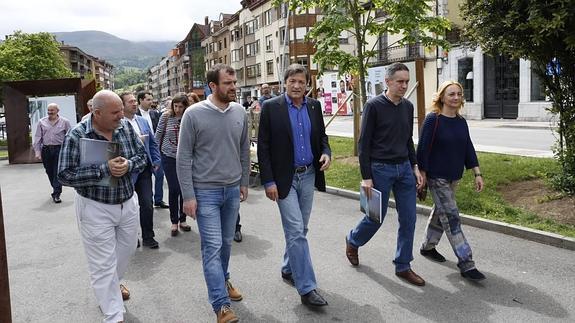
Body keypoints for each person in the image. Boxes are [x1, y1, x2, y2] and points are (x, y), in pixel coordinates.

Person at [58, 90, 147, 323]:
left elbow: (142, 157)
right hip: (95, 207)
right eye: (115, 112)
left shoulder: (126, 127)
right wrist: (103, 170)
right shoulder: (76, 135)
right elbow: (65, 175)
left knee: (125, 253)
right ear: (95, 113)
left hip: (127, 202)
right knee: (102, 263)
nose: (121, 115)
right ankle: (113, 315)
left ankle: (110, 287)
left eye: (121, 110)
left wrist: (128, 164)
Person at [177, 64, 250, 323]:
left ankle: (225, 278)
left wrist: (243, 182)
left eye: (234, 82)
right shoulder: (193, 114)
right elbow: (183, 156)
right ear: (213, 86)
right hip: (204, 192)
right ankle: (221, 305)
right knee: (212, 246)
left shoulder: (240, 112)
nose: (234, 87)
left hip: (231, 190)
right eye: (228, 83)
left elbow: (243, 150)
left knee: (227, 243)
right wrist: (188, 195)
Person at [345, 62, 426, 286]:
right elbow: (364, 144)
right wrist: (366, 176)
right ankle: (353, 240)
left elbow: (408, 140)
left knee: (409, 218)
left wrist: (415, 167)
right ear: (388, 82)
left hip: (404, 170)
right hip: (379, 169)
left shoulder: (408, 107)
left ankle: (403, 265)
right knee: (374, 218)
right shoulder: (373, 106)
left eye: (406, 81)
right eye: (400, 81)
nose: (404, 85)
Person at [257, 63, 331, 307]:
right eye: (293, 81)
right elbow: (264, 146)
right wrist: (268, 180)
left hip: (308, 174)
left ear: (307, 84)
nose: (297, 86)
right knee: (296, 231)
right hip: (283, 179)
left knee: (301, 229)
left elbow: (322, 137)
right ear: (285, 83)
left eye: (302, 82)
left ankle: (289, 268)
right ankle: (307, 287)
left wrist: (326, 153)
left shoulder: (314, 106)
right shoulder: (271, 107)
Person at [416, 80, 486, 281]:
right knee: (452, 217)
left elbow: (467, 147)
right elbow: (423, 149)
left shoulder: (461, 122)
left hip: (454, 176)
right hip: (437, 177)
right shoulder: (433, 120)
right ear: (442, 97)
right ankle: (467, 262)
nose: (456, 98)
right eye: (451, 94)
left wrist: (477, 173)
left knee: (441, 212)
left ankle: (427, 247)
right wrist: (422, 175)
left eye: (458, 94)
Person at [121, 92, 162, 249]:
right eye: (130, 101)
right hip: (126, 171)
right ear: (122, 105)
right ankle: (131, 238)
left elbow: (152, 142)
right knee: (128, 207)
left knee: (147, 203)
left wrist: (156, 160)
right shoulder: (118, 123)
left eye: (134, 101)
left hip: (144, 169)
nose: (134, 104)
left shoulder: (143, 121)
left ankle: (148, 236)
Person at [155, 95, 193, 236]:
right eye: (175, 106)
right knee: (174, 188)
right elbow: (158, 135)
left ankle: (183, 219)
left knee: (184, 188)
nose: (177, 109)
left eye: (180, 106)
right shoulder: (165, 117)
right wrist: (156, 156)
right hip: (168, 156)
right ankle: (174, 221)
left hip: (184, 157)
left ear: (185, 106)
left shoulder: (188, 117)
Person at [33, 103, 71, 203]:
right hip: (46, 150)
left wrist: (69, 151)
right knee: (49, 171)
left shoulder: (65, 122)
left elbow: (69, 137)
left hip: (59, 149)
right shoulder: (42, 122)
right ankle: (55, 187)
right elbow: (38, 137)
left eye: (52, 110)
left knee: (56, 171)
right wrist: (37, 152)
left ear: (57, 111)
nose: (50, 112)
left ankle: (56, 193)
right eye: (49, 110)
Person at [136, 91, 168, 209]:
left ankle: (158, 200)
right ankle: (146, 200)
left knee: (159, 174)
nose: (151, 102)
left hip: (155, 149)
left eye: (151, 99)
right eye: (148, 99)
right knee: (145, 178)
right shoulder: (135, 115)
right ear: (140, 100)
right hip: (142, 151)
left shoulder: (155, 114)